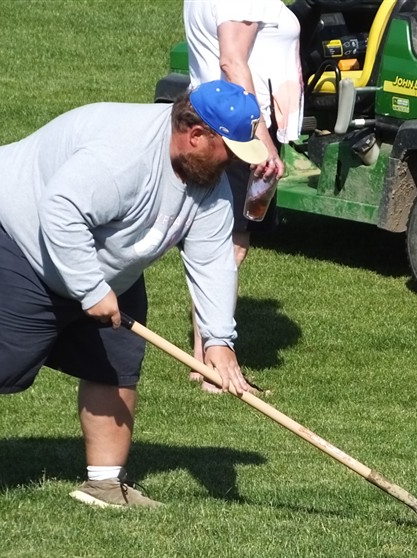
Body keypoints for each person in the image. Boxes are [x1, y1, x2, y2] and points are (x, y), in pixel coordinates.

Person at [0, 80, 267, 524]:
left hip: (94, 256)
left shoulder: (209, 183)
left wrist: (219, 341)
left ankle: (105, 484)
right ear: (195, 135)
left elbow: (212, 261)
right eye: (229, 150)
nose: (234, 164)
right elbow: (61, 210)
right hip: (1, 230)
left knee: (115, 360)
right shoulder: (124, 154)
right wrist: (91, 289)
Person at [183, 0, 304, 389]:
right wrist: (262, 141)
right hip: (238, 130)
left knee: (216, 244)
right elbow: (232, 62)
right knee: (228, 248)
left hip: (218, 119)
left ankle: (201, 360)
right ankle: (213, 367)